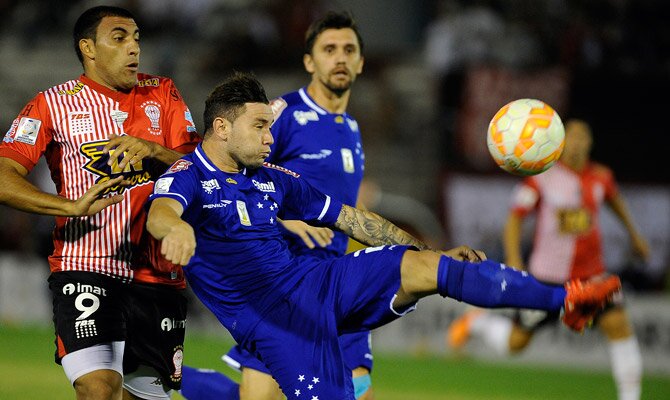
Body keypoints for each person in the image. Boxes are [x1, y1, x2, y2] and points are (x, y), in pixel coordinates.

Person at [145, 72, 622, 400]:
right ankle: (175, 375)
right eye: (261, 126)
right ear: (222, 127)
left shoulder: (272, 178)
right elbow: (160, 214)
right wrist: (179, 228)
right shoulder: (188, 175)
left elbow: (350, 218)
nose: (272, 137)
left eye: (271, 127)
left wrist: (433, 250)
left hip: (318, 282)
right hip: (276, 322)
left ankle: (566, 299)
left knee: (423, 267)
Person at [0, 6, 200, 400]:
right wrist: (69, 207)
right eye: (120, 38)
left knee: (141, 396)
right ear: (88, 48)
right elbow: (4, 176)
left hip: (157, 275)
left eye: (137, 38)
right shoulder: (51, 104)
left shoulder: (163, 93)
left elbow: (201, 171)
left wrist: (152, 150)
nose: (134, 48)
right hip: (85, 266)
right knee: (99, 388)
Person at [179, 11, 374, 400]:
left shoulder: (350, 126)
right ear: (309, 61)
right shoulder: (283, 114)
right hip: (286, 283)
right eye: (329, 49)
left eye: (349, 49)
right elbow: (236, 175)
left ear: (361, 62)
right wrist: (287, 223)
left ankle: (170, 375)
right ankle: (172, 376)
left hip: (335, 280)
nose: (340, 58)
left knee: (354, 390)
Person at [447, 119, 649, 400]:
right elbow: (515, 218)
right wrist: (515, 257)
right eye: (572, 137)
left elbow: (615, 201)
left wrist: (634, 234)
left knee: (618, 325)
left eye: (582, 136)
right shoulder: (542, 177)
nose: (577, 142)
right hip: (548, 277)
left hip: (592, 275)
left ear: (590, 143)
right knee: (515, 344)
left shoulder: (602, 176)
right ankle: (479, 323)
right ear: (561, 142)